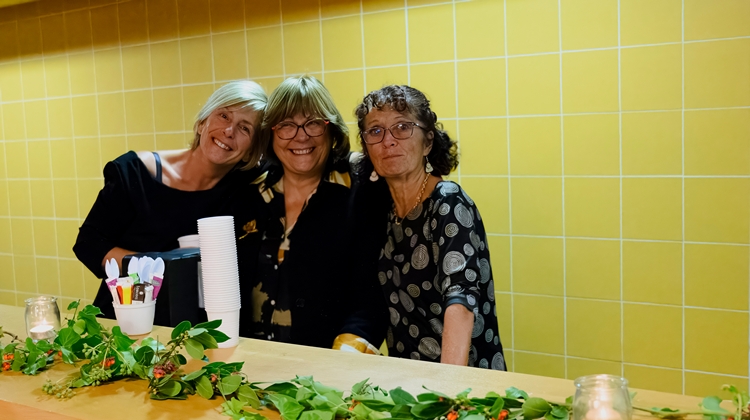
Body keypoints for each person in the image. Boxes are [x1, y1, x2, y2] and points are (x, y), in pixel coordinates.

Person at [74, 80, 268, 319]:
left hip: (197, 328)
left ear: (252, 150)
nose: (229, 131)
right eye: (224, 116)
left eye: (244, 128)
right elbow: (89, 245)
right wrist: (160, 266)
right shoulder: (136, 173)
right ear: (201, 123)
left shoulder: (246, 187)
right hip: (128, 319)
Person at [353, 85, 505, 370]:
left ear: (428, 142)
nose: (388, 141)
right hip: (408, 380)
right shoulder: (382, 210)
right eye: (375, 131)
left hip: (461, 380)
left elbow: (460, 301)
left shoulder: (448, 201)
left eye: (402, 127)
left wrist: (447, 386)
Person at [233, 75, 385, 351]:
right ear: (271, 133)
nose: (301, 136)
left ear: (331, 130)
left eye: (313, 123)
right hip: (245, 362)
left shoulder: (360, 193)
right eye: (286, 125)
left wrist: (348, 351)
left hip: (326, 367)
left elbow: (371, 296)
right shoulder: (247, 193)